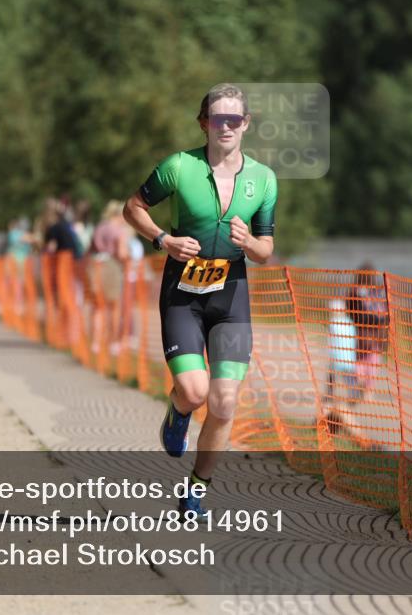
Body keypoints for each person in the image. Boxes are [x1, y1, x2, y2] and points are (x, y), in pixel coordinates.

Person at [123, 83, 277, 520]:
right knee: (194, 392)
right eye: (217, 118)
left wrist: (250, 242)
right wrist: (162, 239)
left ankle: (196, 490)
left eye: (234, 119)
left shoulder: (263, 179)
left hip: (231, 296)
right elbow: (132, 207)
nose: (225, 126)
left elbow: (267, 250)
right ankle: (177, 411)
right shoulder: (179, 167)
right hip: (183, 293)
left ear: (245, 124)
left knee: (225, 402)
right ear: (204, 122)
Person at [89, 200, 130, 358]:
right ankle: (113, 343)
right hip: (112, 267)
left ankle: (95, 343)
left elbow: (91, 248)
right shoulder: (119, 231)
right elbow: (121, 253)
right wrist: (128, 259)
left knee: (98, 307)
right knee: (114, 307)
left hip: (96, 266)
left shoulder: (99, 228)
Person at [346, 262, 389, 396]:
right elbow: (354, 312)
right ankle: (361, 387)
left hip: (371, 336)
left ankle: (367, 390)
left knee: (370, 364)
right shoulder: (356, 292)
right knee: (363, 364)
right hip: (363, 335)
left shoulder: (377, 292)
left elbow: (385, 312)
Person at [324, 297, 358, 434]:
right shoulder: (350, 323)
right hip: (349, 359)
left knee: (332, 388)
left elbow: (330, 342)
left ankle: (332, 403)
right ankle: (352, 396)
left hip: (337, 361)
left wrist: (330, 356)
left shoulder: (333, 323)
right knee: (348, 385)